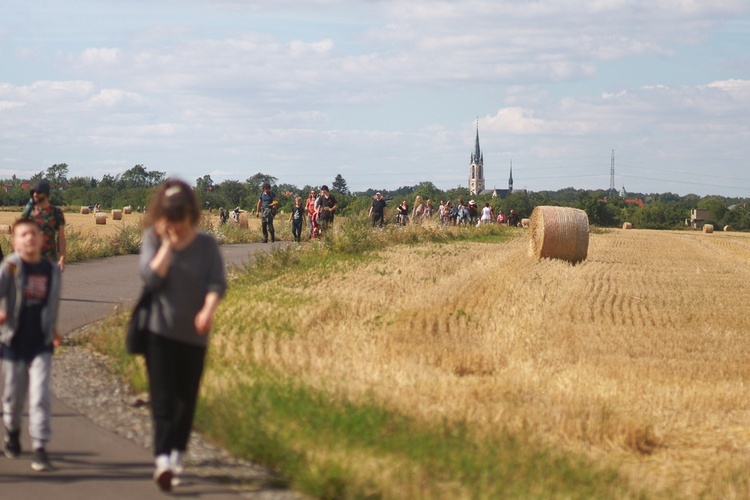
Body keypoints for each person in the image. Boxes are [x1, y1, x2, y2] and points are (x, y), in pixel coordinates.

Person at [139, 179, 227, 491]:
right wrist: (166, 245)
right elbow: (149, 278)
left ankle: (177, 453)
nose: (175, 221)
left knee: (185, 398)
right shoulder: (153, 238)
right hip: (159, 332)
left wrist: (208, 309)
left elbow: (217, 283)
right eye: (169, 214)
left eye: (180, 214)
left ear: (191, 213)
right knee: (162, 397)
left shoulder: (206, 246)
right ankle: (163, 459)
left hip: (194, 336)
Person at [0, 218, 62, 472]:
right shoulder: (10, 267)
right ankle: (12, 432)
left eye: (33, 233)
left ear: (41, 239)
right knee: (13, 396)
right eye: (23, 234)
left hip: (40, 342)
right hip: (13, 340)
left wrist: (54, 329)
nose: (29, 238)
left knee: (39, 396)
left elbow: (53, 302)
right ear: (15, 242)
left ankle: (39, 447)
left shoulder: (50, 269)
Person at [21, 179, 66, 272]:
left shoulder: (56, 213)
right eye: (33, 192)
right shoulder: (29, 213)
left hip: (49, 263)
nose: (35, 194)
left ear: (46, 194)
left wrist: (62, 259)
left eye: (39, 192)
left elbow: (61, 237)